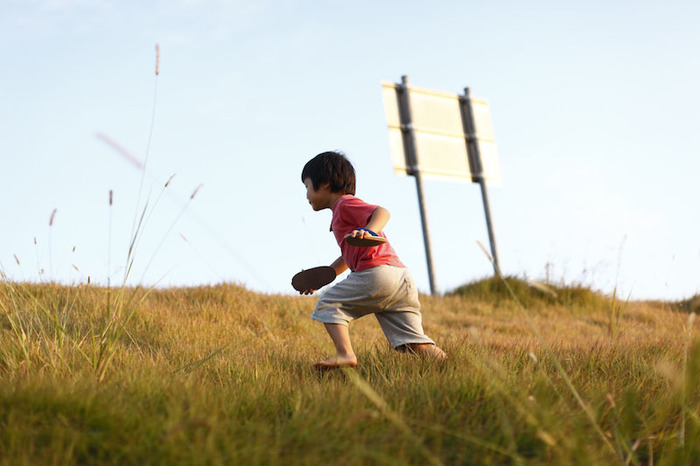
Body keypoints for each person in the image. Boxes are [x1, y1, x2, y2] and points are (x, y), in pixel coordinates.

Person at [300, 151, 446, 371]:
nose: (306, 195)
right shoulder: (342, 214)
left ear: (326, 184)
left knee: (329, 303)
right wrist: (327, 274)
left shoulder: (345, 205)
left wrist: (368, 231)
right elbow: (350, 255)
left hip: (377, 275)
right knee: (415, 343)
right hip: (401, 279)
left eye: (307, 187)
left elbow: (382, 212)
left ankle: (345, 354)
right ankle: (450, 366)